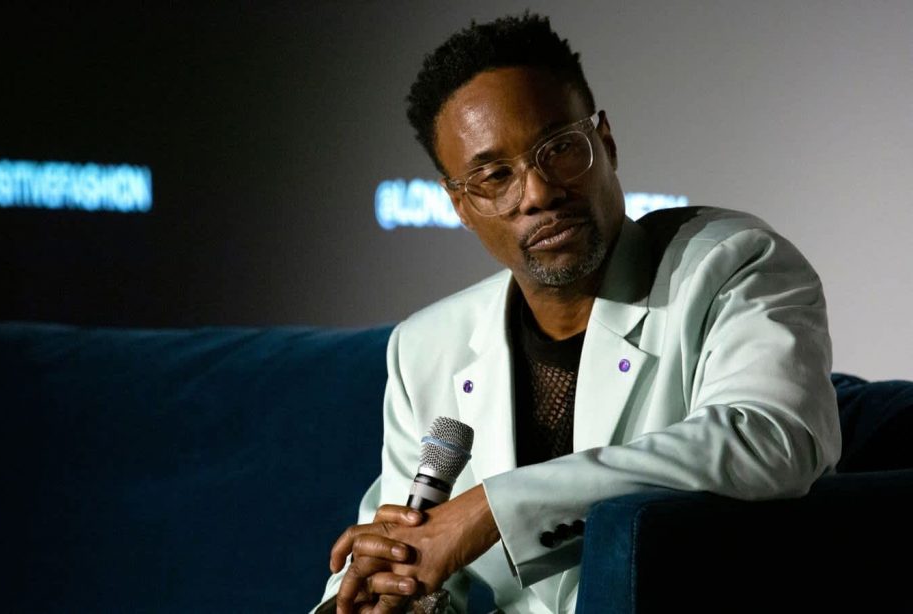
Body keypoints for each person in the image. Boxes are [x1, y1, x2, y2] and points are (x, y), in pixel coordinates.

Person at [315, 13, 842, 614]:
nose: (538, 193)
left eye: (560, 149)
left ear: (605, 143)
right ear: (459, 204)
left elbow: (774, 439)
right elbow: (404, 550)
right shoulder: (426, 347)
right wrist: (390, 599)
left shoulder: (732, 265)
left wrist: (493, 510)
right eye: (495, 176)